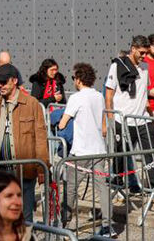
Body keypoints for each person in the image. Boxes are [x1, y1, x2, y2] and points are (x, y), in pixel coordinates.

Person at [0, 64, 49, 222]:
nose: (0, 85)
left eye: (4, 81)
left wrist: (43, 168)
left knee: (25, 216)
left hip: (24, 171)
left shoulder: (31, 104)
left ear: (15, 80)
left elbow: (40, 139)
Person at [57, 63, 114, 237]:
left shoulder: (76, 97)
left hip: (80, 151)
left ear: (79, 79)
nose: (74, 81)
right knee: (102, 188)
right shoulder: (98, 96)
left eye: (74, 78)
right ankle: (107, 225)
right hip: (99, 150)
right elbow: (103, 124)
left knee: (71, 188)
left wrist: (59, 123)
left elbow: (63, 122)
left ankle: (63, 222)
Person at [107, 35, 154, 192]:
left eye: (146, 53)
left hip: (143, 120)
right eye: (142, 53)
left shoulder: (145, 68)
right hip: (122, 120)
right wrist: (110, 120)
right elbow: (109, 94)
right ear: (133, 49)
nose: (144, 56)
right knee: (120, 157)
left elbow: (143, 95)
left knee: (150, 155)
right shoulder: (117, 66)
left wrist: (150, 116)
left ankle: (153, 188)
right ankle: (117, 186)